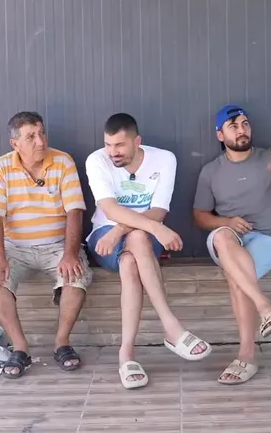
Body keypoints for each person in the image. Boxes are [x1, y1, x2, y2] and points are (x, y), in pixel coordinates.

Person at [192, 105, 271, 384]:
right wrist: (226, 221)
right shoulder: (211, 171)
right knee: (223, 238)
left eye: (245, 124)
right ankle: (264, 307)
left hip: (267, 239)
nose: (241, 130)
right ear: (220, 135)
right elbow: (200, 216)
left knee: (237, 276)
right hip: (227, 237)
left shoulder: (269, 159)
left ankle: (247, 356)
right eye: (233, 126)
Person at [84, 113, 210, 389]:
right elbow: (110, 209)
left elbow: (159, 211)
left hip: (136, 236)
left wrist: (122, 230)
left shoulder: (164, 159)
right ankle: (171, 327)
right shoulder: (97, 160)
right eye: (108, 145)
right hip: (104, 237)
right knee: (140, 237)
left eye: (120, 145)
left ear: (137, 141)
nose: (113, 152)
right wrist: (153, 229)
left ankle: (126, 354)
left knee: (134, 251)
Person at [0, 112, 92, 377]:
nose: (40, 141)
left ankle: (62, 343)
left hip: (57, 244)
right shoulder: (1, 167)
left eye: (42, 133)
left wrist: (70, 254)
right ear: (15, 143)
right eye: (31, 136)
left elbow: (75, 212)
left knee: (76, 276)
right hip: (15, 246)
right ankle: (20, 347)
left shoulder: (62, 161)